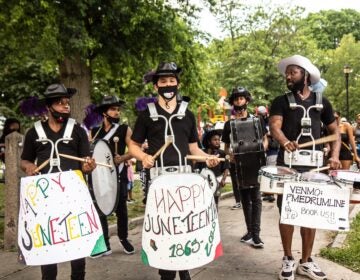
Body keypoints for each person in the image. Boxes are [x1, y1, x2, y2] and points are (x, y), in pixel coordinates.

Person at [128, 61, 219, 280]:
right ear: (155, 86)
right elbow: (133, 145)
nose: (168, 84)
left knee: (184, 227)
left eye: (171, 80)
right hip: (159, 180)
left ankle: (185, 270)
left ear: (178, 83)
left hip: (184, 179)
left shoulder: (187, 113)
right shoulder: (146, 114)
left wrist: (208, 159)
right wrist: (143, 157)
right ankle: (166, 273)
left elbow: (193, 148)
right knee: (166, 231)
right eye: (163, 81)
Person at [269, 54, 341, 280]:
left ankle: (306, 261)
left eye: (293, 72)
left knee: (311, 214)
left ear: (306, 76)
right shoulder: (280, 101)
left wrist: (335, 156)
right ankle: (288, 259)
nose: (288, 76)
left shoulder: (322, 102)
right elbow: (274, 126)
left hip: (314, 167)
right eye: (287, 73)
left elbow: (335, 133)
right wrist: (284, 141)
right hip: (287, 165)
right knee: (288, 213)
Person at [20, 83, 97, 280]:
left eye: (67, 102)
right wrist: (28, 166)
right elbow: (25, 159)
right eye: (60, 102)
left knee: (76, 244)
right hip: (45, 197)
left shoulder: (78, 131)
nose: (65, 106)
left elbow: (86, 161)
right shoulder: (34, 132)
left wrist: (88, 166)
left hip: (74, 194)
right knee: (48, 246)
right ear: (49, 107)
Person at [222, 87, 268, 248]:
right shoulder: (229, 124)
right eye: (236, 99)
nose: (239, 102)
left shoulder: (257, 120)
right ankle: (249, 231)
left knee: (256, 198)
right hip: (239, 166)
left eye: (242, 99)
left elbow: (264, 139)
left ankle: (256, 234)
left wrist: (262, 151)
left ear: (247, 101)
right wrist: (230, 156)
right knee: (245, 200)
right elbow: (226, 146)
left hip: (255, 163)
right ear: (233, 102)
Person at [90, 95, 135, 256]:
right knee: (101, 207)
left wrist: (122, 158)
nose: (117, 112)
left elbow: (134, 149)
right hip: (100, 176)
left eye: (118, 109)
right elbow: (90, 150)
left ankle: (123, 238)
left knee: (121, 208)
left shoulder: (124, 129)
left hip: (119, 173)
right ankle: (105, 243)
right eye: (113, 109)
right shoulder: (95, 131)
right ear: (104, 112)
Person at [196, 129, 230, 208]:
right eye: (215, 140)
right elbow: (197, 168)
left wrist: (223, 179)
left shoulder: (222, 153)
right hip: (203, 182)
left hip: (216, 181)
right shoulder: (203, 153)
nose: (217, 141)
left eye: (218, 140)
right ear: (209, 141)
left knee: (215, 202)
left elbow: (226, 167)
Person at [257, 105, 277, 203]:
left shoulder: (270, 121)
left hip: (272, 151)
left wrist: (268, 134)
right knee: (265, 172)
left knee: (270, 172)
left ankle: (271, 194)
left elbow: (274, 132)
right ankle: (267, 192)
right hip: (264, 151)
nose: (261, 116)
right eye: (259, 114)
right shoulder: (260, 122)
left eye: (262, 114)